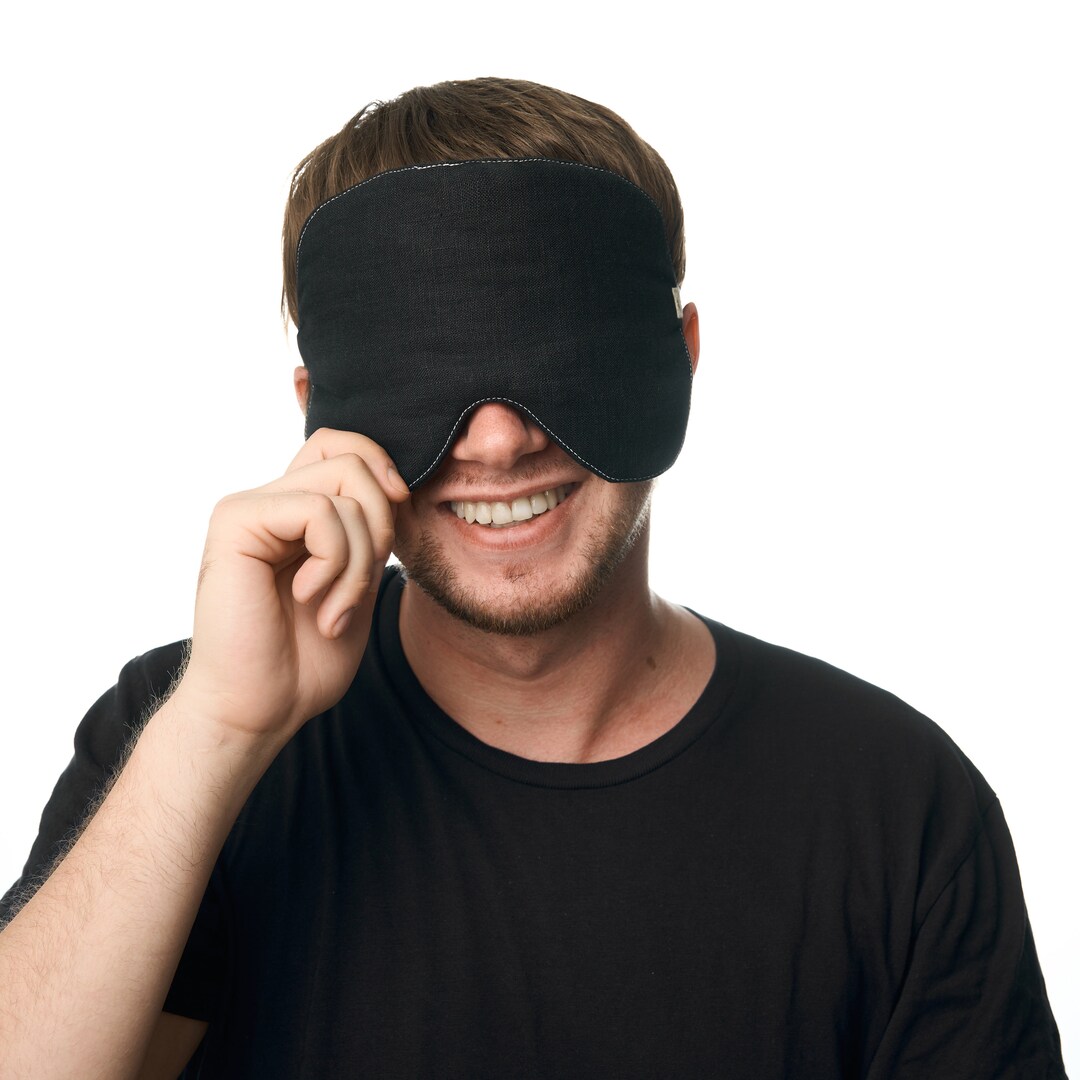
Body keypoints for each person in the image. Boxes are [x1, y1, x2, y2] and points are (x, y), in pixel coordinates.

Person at [0, 77, 1065, 1079]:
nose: (499, 441)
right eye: (425, 370)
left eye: (559, 347)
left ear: (682, 356)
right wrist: (219, 732)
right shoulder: (184, 736)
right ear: (315, 410)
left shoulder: (894, 805)